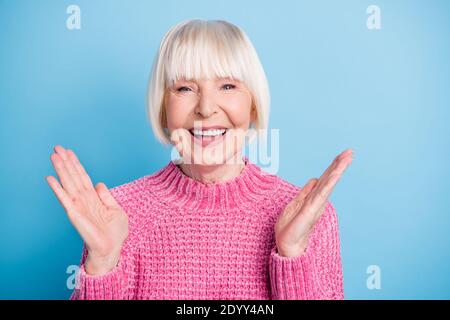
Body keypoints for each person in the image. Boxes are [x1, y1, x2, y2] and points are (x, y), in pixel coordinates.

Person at [46, 19, 353, 300]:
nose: (206, 108)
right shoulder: (114, 215)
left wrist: (292, 254)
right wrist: (102, 263)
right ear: (164, 108)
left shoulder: (308, 217)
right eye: (185, 88)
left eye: (228, 86)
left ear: (254, 105)